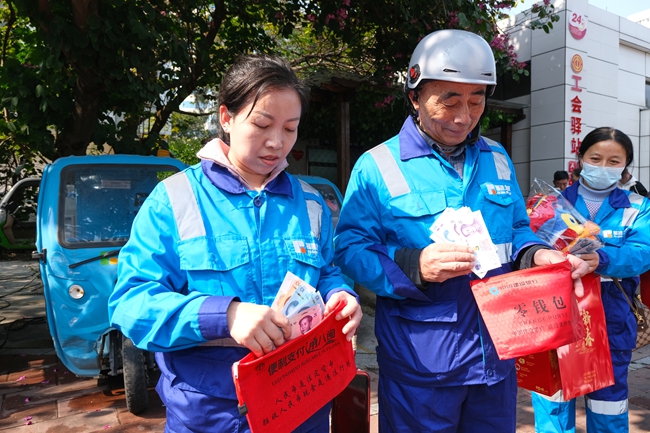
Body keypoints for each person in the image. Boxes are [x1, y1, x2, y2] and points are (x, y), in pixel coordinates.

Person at [333, 29, 589, 433]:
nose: (463, 116)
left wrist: (539, 255)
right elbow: (349, 249)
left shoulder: (498, 158)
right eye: (448, 99)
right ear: (415, 95)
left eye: (476, 100)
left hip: (496, 357)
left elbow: (517, 230)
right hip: (422, 365)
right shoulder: (377, 165)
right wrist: (414, 264)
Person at [108, 54, 362, 433]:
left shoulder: (310, 204)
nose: (277, 142)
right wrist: (225, 316)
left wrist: (340, 295)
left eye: (290, 129)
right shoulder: (174, 200)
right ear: (226, 118)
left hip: (301, 406)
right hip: (211, 415)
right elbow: (132, 304)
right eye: (262, 124)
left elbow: (325, 270)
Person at [531, 127, 650, 433]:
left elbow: (643, 252)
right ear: (581, 158)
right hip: (556, 314)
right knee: (552, 407)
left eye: (614, 161)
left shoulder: (638, 207)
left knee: (608, 406)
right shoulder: (549, 204)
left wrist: (603, 259)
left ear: (626, 166)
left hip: (610, 319)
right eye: (596, 158)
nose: (603, 166)